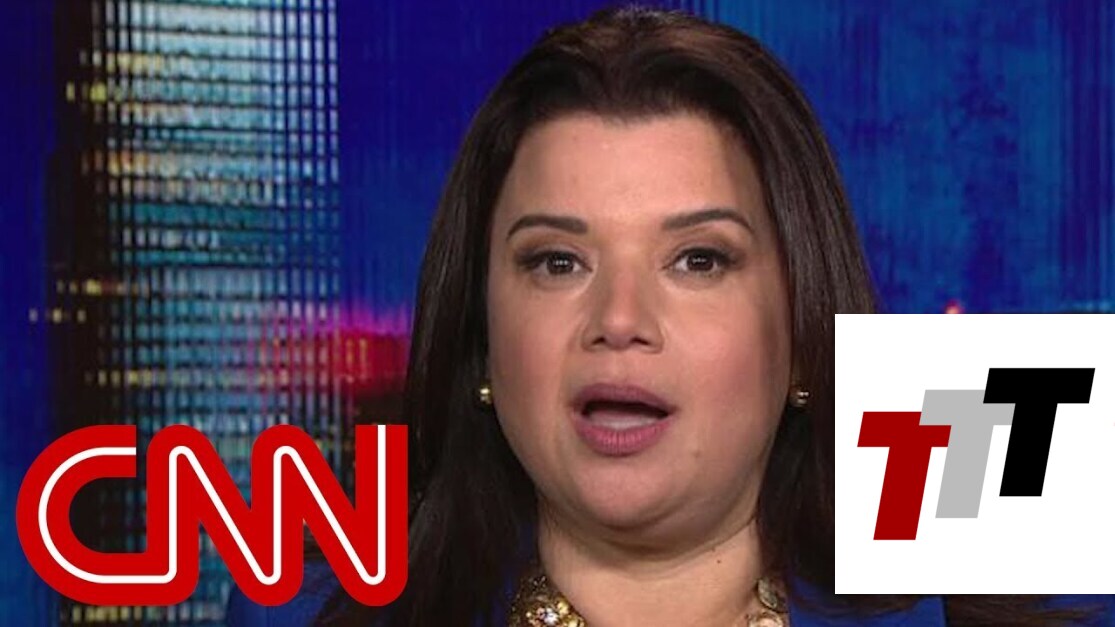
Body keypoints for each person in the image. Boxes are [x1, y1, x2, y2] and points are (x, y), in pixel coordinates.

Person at [230, 7, 1113, 626]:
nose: (619, 319)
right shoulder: (300, 612)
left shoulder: (1038, 590)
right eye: (557, 261)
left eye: (698, 260)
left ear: (802, 334)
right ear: (481, 336)